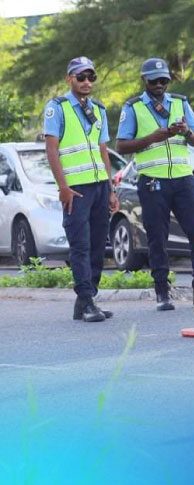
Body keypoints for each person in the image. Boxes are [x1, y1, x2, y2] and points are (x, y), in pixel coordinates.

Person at [115, 58, 194, 310]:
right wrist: (151, 138)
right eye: (154, 81)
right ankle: (162, 292)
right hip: (153, 181)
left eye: (163, 80)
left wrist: (186, 132)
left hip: (183, 179)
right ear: (144, 80)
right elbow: (121, 145)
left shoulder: (180, 102)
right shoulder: (133, 107)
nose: (159, 85)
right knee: (157, 237)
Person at [43, 56, 119, 323]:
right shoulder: (57, 108)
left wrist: (110, 189)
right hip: (75, 190)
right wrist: (63, 187)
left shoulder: (98, 109)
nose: (87, 82)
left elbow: (102, 150)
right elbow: (51, 150)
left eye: (91, 77)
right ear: (69, 79)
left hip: (99, 187)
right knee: (81, 246)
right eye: (81, 77)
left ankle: (87, 300)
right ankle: (86, 300)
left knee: (98, 246)